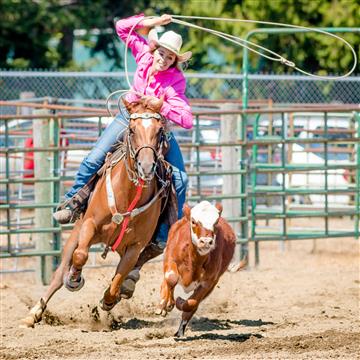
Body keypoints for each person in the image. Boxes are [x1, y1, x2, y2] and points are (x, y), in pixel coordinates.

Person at [53, 13, 193, 251]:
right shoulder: (143, 56)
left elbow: (187, 119)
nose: (165, 59)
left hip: (157, 126)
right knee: (94, 158)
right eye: (162, 53)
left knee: (181, 178)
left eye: (170, 57)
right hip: (129, 118)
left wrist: (163, 106)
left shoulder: (175, 80)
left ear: (175, 60)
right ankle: (74, 201)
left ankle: (164, 234)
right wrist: (153, 22)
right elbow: (121, 28)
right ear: (155, 49)